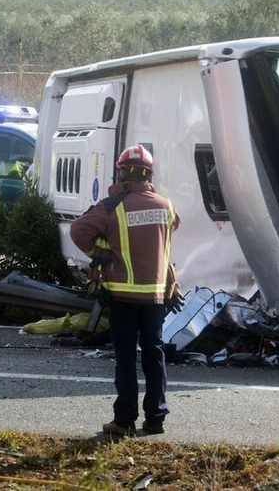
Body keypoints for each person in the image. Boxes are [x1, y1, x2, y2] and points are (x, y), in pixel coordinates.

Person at [69, 144, 180, 437]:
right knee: (154, 355)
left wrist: (102, 253)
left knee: (126, 357)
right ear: (149, 174)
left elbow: (78, 231)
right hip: (156, 295)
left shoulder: (112, 205)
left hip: (122, 295)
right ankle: (156, 419)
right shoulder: (166, 206)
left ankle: (124, 420)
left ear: (122, 172)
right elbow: (167, 236)